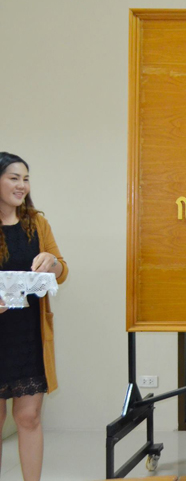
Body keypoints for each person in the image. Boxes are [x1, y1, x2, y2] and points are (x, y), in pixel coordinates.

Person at [0, 152, 68, 481]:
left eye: (25, 179)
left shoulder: (37, 223)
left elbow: (62, 270)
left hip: (27, 336)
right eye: (14, 178)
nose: (22, 186)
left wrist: (51, 263)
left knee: (29, 417)